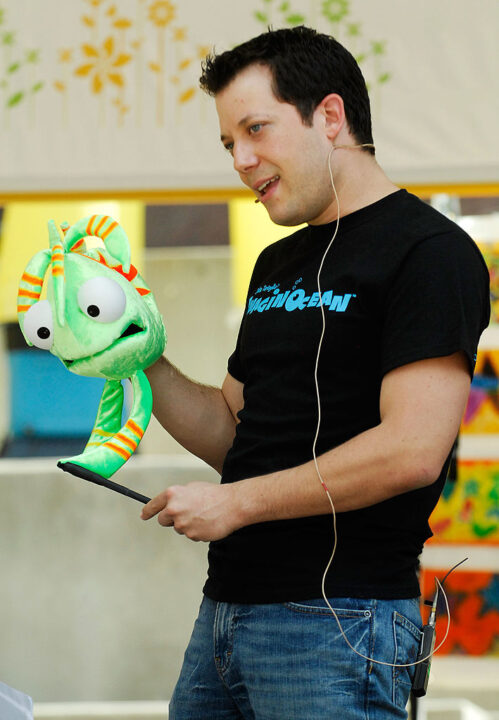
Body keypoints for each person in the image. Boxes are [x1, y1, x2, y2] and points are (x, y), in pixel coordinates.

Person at [141, 26, 490, 719]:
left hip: (339, 623)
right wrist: (139, 358)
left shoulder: (430, 252)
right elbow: (233, 433)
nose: (240, 160)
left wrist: (235, 503)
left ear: (328, 116)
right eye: (227, 144)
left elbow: (411, 451)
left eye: (255, 130)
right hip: (224, 615)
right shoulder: (276, 262)